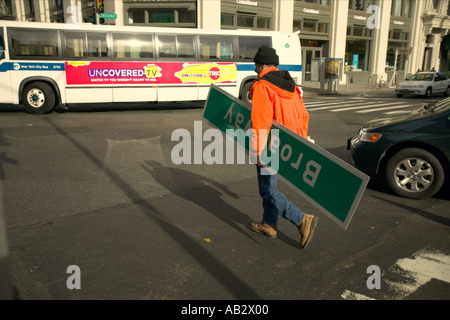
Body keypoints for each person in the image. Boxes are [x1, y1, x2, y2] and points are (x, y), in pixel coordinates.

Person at [249, 45, 318, 249]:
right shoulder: (292, 86)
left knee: (268, 190)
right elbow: (304, 115)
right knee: (270, 186)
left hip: (271, 145)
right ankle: (269, 224)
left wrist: (257, 151)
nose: (254, 69)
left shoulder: (262, 86)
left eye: (255, 65)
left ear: (262, 65)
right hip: (290, 144)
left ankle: (301, 219)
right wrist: (302, 141)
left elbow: (260, 121)